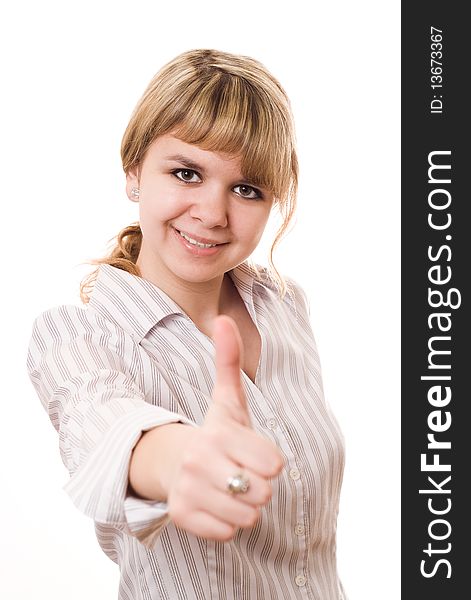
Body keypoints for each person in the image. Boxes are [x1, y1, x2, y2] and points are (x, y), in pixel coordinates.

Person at [26, 48, 347, 600]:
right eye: (186, 173)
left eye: (247, 189)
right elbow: (107, 430)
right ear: (133, 171)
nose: (213, 213)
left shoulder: (284, 307)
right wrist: (180, 462)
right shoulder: (77, 339)